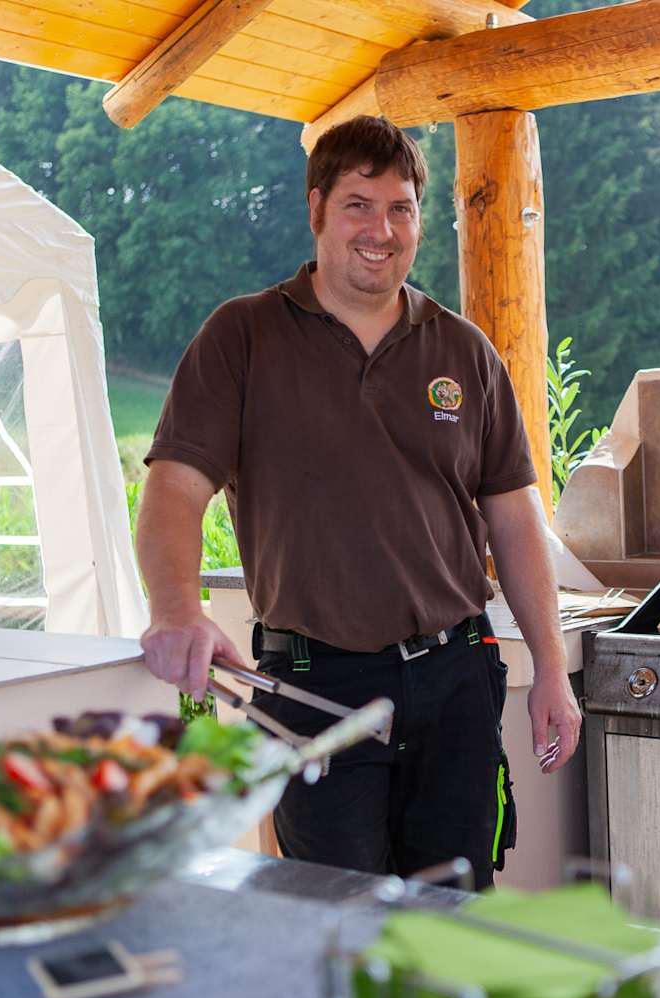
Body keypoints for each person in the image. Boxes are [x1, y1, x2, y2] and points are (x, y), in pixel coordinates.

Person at [134, 115, 581, 887]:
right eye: (358, 206)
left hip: (456, 678)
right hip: (314, 686)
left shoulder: (464, 350)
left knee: (453, 912)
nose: (382, 230)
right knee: (337, 920)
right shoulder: (243, 336)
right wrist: (175, 609)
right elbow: (175, 487)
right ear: (316, 210)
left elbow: (514, 518)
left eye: (401, 208)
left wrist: (551, 666)